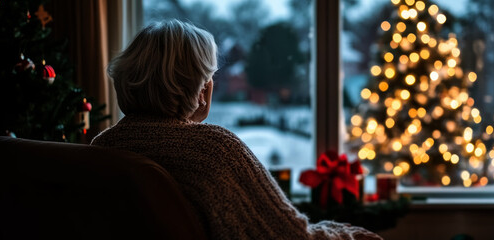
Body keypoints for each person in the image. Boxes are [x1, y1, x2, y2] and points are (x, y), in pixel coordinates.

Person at [92, 19, 382, 240]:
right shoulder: (211, 150)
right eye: (210, 76)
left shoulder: (102, 147)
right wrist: (347, 234)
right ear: (202, 90)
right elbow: (289, 236)